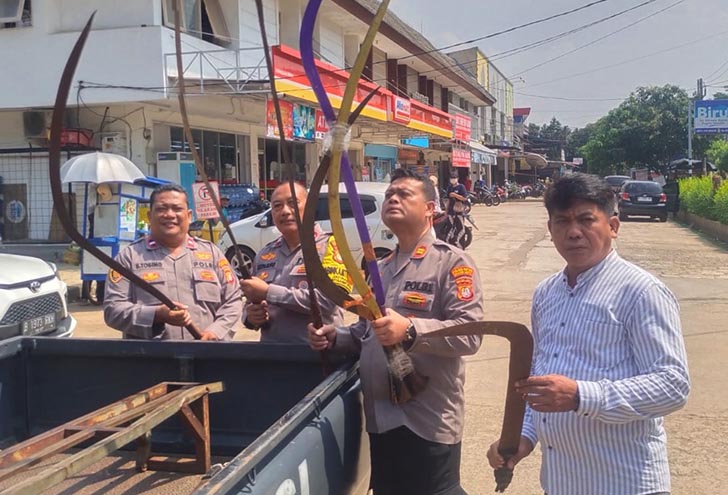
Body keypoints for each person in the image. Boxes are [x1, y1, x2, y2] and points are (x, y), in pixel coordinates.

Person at [486, 173, 690, 495]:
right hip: (561, 483)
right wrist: (523, 436)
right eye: (562, 221)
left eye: (586, 220)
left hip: (626, 484)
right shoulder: (546, 293)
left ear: (613, 226)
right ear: (550, 229)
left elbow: (672, 385)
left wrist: (581, 395)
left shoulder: (641, 292)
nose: (574, 232)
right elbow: (540, 377)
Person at [309, 169, 484, 495]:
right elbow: (366, 331)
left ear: (430, 209)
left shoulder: (451, 263)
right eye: (390, 194)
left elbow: (470, 335)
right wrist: (335, 337)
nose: (393, 199)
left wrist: (411, 331)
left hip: (427, 416)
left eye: (404, 194)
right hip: (382, 417)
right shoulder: (380, 268)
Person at [104, 184, 242, 341]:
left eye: (177, 209)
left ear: (189, 216)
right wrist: (156, 315)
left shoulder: (212, 254)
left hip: (206, 352)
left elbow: (233, 300)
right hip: (151, 354)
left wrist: (215, 332)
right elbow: (113, 310)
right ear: (149, 216)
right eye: (161, 209)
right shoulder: (129, 257)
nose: (169, 214)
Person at [240, 182, 350, 343]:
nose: (285, 211)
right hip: (270, 352)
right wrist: (251, 316)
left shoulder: (332, 246)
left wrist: (269, 292)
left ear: (310, 206)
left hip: (317, 352)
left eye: (293, 203)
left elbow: (329, 301)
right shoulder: (264, 254)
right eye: (277, 206)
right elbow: (251, 302)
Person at [445, 173, 468, 248]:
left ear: (457, 179)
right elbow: (448, 200)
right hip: (451, 211)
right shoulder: (449, 187)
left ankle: (458, 243)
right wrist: (446, 210)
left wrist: (455, 195)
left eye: (454, 178)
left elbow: (464, 198)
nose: (453, 180)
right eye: (451, 178)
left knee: (461, 229)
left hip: (459, 211)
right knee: (450, 228)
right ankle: (449, 243)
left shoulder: (461, 187)